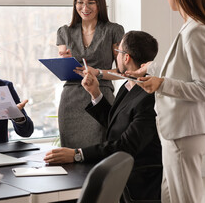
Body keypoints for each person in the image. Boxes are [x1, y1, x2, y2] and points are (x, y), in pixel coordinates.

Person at [126, 0, 205, 202]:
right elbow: (183, 71)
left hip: (184, 133)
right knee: (169, 197)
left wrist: (161, 84)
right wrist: (152, 68)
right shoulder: (189, 28)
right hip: (176, 132)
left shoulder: (196, 32)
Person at [45, 31, 162, 201]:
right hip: (122, 174)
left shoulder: (148, 97)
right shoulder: (128, 86)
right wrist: (95, 93)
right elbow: (115, 122)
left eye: (119, 52)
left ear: (126, 58)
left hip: (138, 184)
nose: (116, 56)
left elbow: (126, 145)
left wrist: (77, 154)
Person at [56, 0, 124, 148]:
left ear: (100, 3)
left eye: (90, 2)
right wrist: (64, 62)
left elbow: (123, 71)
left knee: (99, 151)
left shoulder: (113, 30)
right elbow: (64, 70)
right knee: (70, 156)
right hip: (70, 101)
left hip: (100, 96)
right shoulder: (64, 32)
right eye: (80, 2)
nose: (84, 8)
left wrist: (98, 73)